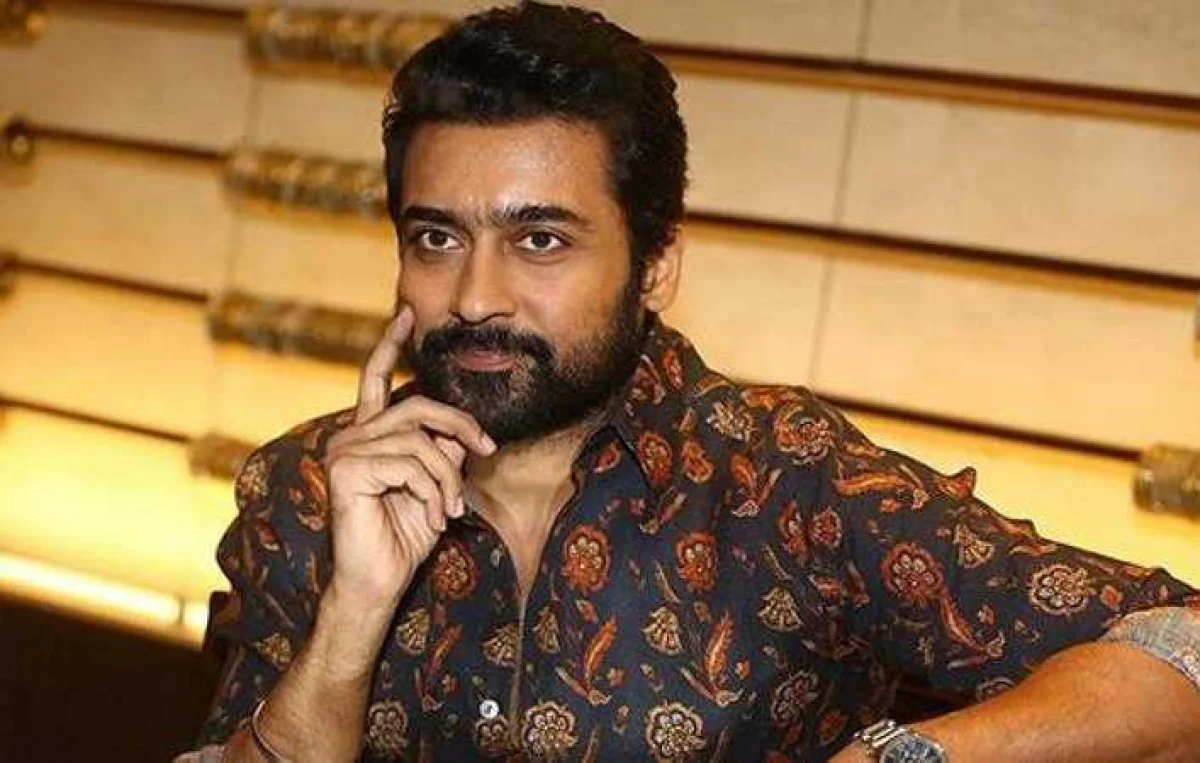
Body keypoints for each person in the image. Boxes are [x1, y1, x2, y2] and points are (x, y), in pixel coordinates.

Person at [177, 3, 1200, 761]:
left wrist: (908, 757)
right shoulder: (306, 489)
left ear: (656, 264)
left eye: (541, 240)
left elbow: (1180, 647)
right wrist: (351, 620)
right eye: (437, 238)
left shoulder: (785, 480)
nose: (476, 296)